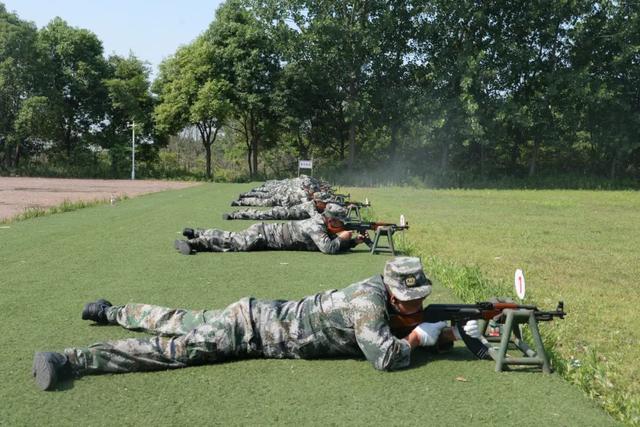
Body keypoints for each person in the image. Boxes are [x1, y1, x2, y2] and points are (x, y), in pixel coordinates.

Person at [32, 257, 482, 391]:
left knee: (177, 320)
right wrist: (421, 339)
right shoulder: (368, 303)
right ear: (391, 291)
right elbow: (384, 356)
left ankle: (109, 310)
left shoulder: (379, 293)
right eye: (410, 302)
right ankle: (70, 359)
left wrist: (449, 333)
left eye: (420, 301)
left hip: (255, 313)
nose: (416, 308)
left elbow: (402, 329)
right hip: (249, 331)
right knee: (172, 349)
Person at [174, 204, 362, 255]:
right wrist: (344, 238)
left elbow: (330, 242)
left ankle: (197, 232)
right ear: (331, 220)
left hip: (267, 234)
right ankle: (194, 242)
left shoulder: (322, 224)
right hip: (265, 235)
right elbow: (328, 248)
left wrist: (353, 241)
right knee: (234, 242)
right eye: (341, 223)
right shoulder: (316, 225)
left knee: (232, 236)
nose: (342, 226)